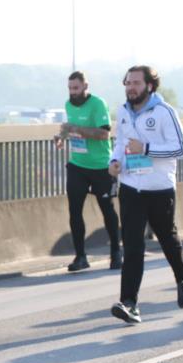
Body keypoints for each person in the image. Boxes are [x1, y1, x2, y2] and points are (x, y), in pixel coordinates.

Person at [108, 65, 183, 324]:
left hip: (159, 188)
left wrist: (146, 148)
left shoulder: (165, 112)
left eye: (136, 83)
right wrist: (114, 161)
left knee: (168, 238)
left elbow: (180, 149)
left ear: (149, 86)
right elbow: (120, 143)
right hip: (131, 187)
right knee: (133, 245)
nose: (130, 87)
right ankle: (129, 303)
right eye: (128, 83)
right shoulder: (123, 112)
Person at [55, 71, 122, 272]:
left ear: (85, 86)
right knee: (74, 211)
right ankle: (80, 256)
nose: (72, 92)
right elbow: (70, 129)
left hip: (101, 165)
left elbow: (104, 134)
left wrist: (77, 129)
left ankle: (116, 253)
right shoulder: (68, 105)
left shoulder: (97, 104)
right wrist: (61, 136)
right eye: (70, 88)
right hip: (77, 164)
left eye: (76, 88)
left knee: (107, 209)